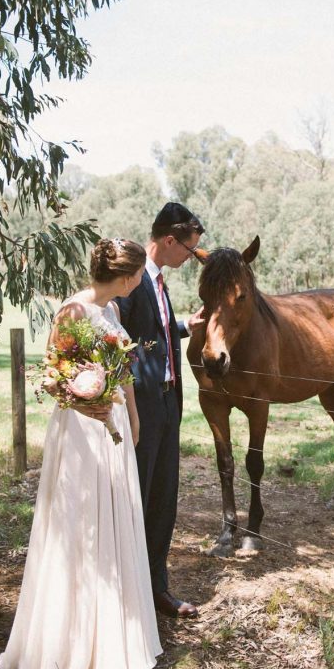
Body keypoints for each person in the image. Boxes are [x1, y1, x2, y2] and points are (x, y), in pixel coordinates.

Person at [0, 239, 162, 669]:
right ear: (127, 277)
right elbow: (52, 375)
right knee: (79, 524)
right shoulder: (72, 311)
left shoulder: (113, 311)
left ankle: (114, 638)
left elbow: (123, 370)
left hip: (114, 426)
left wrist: (133, 416)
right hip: (81, 431)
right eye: (138, 275)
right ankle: (70, 645)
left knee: (114, 520)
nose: (139, 282)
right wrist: (83, 401)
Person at [118, 202, 205, 618]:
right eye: (189, 250)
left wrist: (185, 326)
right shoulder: (132, 282)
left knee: (164, 499)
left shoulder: (158, 281)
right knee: (139, 496)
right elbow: (118, 341)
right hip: (141, 408)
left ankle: (157, 589)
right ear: (169, 241)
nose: (190, 258)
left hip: (170, 403)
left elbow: (153, 334)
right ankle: (128, 592)